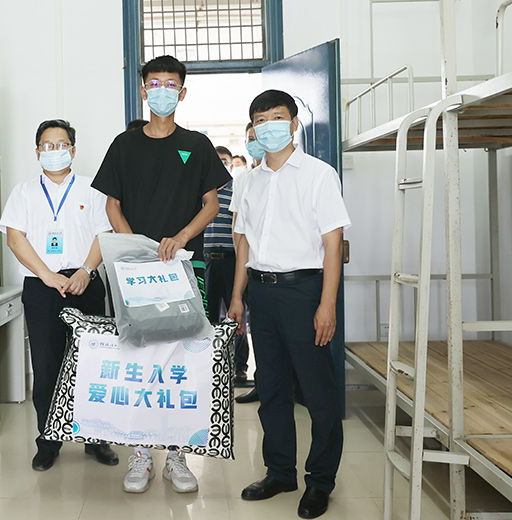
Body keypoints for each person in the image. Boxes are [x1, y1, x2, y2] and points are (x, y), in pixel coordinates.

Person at [92, 54, 231, 494]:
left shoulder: (197, 144)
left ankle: (176, 456)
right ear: (143, 90)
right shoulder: (124, 145)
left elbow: (211, 204)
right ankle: (140, 454)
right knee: (137, 357)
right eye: (155, 83)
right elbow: (112, 204)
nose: (163, 91)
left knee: (182, 358)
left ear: (182, 92)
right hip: (135, 271)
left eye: (171, 84)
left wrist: (181, 237)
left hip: (186, 268)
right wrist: (137, 248)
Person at [229, 90, 351, 519]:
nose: (269, 127)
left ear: (295, 123)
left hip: (304, 292)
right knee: (272, 389)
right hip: (261, 293)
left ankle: (320, 482)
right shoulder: (248, 181)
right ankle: (280, 472)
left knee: (318, 393)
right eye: (260, 121)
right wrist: (238, 296)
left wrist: (327, 304)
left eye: (277, 118)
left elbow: (332, 243)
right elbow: (243, 245)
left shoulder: (319, 174)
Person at [0, 119, 119, 472]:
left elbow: (104, 234)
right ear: (37, 151)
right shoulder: (23, 192)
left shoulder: (92, 189)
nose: (55, 151)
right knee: (47, 364)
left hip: (85, 281)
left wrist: (86, 271)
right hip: (41, 286)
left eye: (61, 144)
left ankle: (96, 439)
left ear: (73, 150)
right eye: (47, 145)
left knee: (92, 363)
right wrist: (47, 275)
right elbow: (15, 239)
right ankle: (48, 441)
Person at [203, 145, 249, 385]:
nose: (220, 164)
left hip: (232, 260)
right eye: (216, 160)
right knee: (208, 316)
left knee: (236, 315)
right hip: (207, 261)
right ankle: (210, 364)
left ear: (231, 164)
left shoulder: (237, 190)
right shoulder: (202, 192)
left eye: (224, 160)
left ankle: (240, 367)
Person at [231, 122, 265, 404]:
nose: (255, 142)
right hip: (250, 269)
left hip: (282, 271)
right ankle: (262, 384)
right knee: (258, 333)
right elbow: (237, 228)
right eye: (250, 138)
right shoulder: (243, 180)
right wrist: (241, 263)